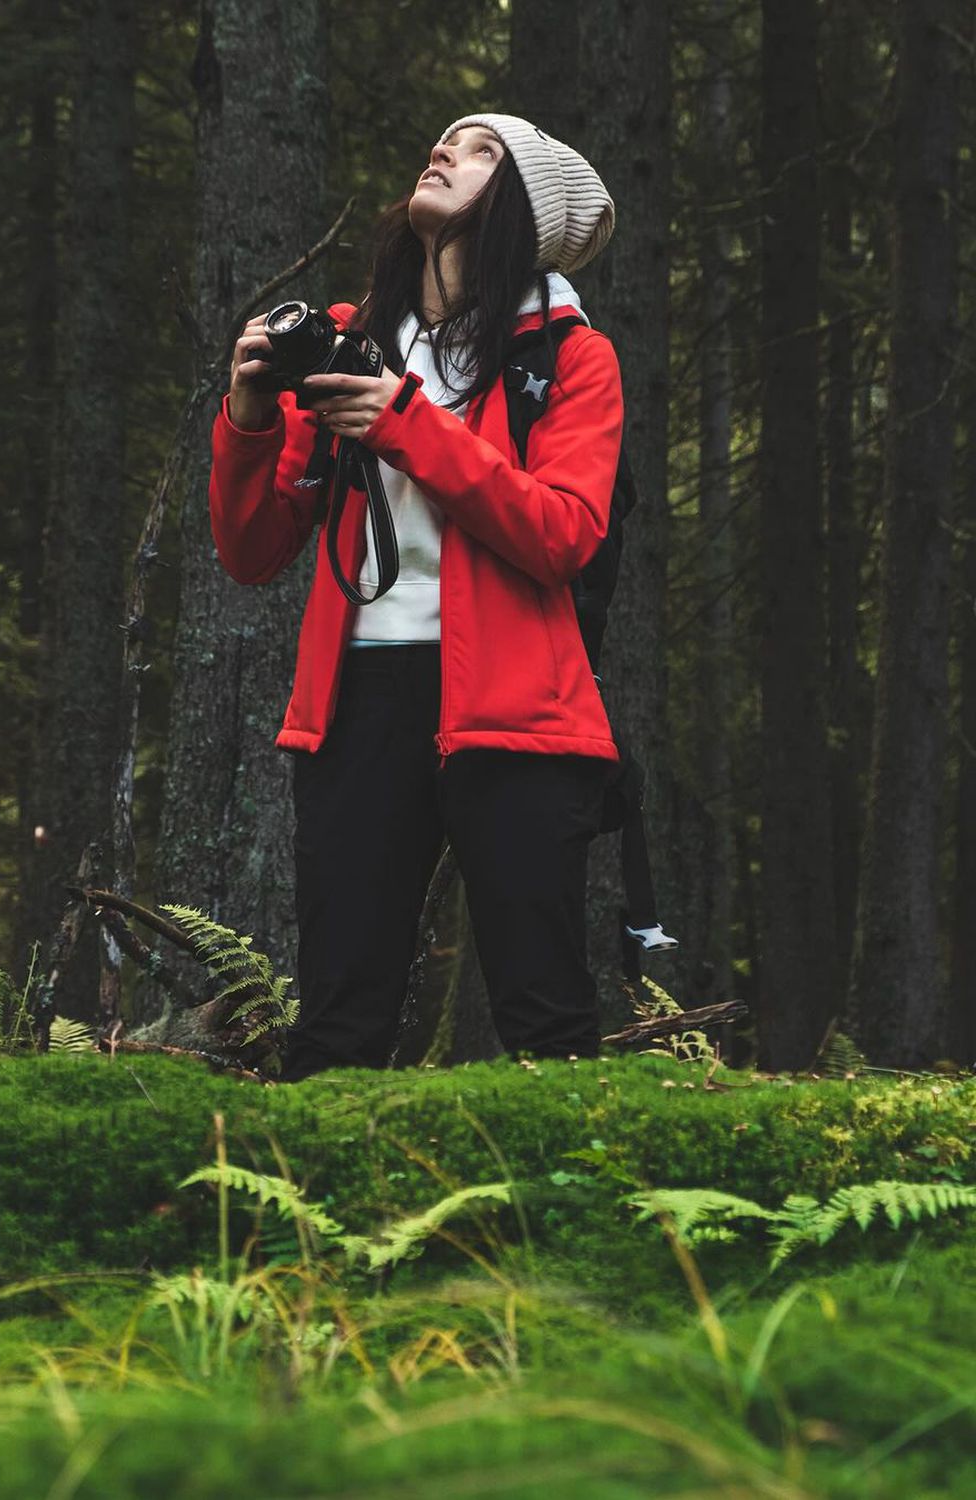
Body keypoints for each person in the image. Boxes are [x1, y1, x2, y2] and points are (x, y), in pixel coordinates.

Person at [208, 113, 624, 1082]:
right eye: (444, 140)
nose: (443, 152)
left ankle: (564, 1217)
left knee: (544, 1012)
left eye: (481, 151)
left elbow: (562, 533)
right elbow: (254, 549)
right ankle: (321, 1222)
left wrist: (404, 423)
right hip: (359, 704)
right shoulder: (354, 341)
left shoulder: (569, 358)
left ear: (526, 204)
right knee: (339, 1017)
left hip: (519, 711)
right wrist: (251, 415)